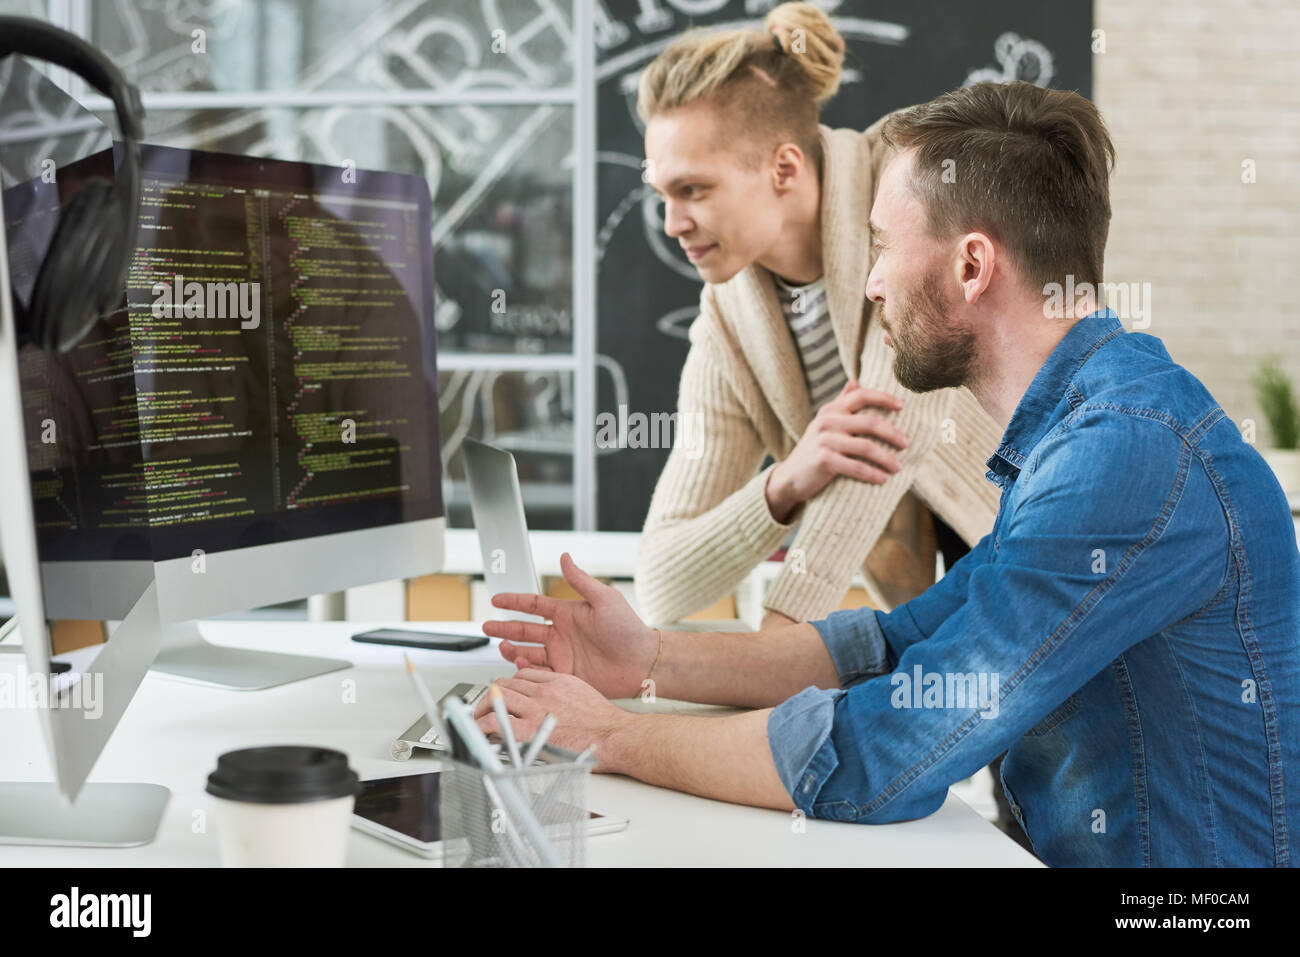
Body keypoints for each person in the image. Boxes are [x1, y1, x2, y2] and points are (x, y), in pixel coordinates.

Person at [475, 80, 1300, 867]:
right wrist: (649, 659)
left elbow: (888, 753)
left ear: (972, 267)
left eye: (882, 245)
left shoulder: (1121, 458)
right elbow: (892, 645)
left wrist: (611, 734)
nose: (869, 282)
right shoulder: (1081, 434)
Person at [632, 3, 1003, 627]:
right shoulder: (730, 325)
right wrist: (784, 484)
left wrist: (773, 649)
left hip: (1071, 565)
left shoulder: (911, 190)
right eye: (663, 195)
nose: (672, 223)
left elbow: (886, 440)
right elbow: (661, 583)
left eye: (693, 190)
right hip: (953, 630)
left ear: (784, 167)